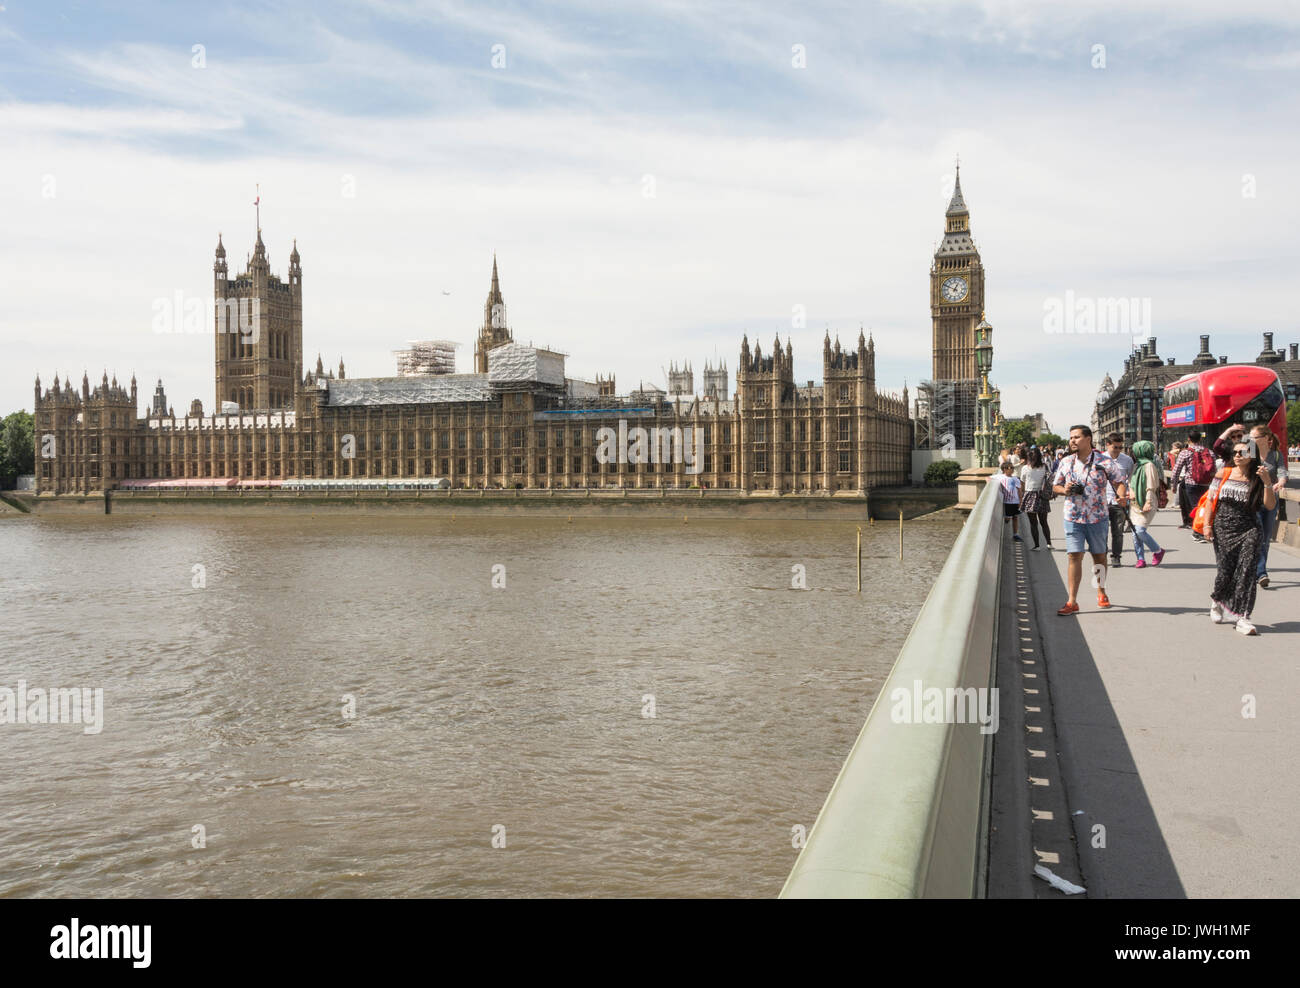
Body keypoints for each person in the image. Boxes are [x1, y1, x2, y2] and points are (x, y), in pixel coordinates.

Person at [1051, 424, 1130, 615]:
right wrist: (1065, 490)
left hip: (1098, 517)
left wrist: (1121, 496)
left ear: (1088, 439)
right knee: (1074, 556)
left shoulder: (1105, 461)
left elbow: (1120, 482)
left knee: (1099, 556)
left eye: (1077, 437)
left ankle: (1101, 591)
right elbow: (1055, 486)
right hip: (1073, 516)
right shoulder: (1066, 462)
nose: (1072, 441)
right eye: (1071, 438)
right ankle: (1072, 601)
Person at [1205, 439, 1278, 634]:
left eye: (1242, 452)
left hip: (1250, 529)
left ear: (1251, 455)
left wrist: (1267, 483)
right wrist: (1207, 525)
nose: (1237, 455)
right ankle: (1218, 600)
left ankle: (1243, 617)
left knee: (1247, 572)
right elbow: (1211, 501)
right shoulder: (1224, 473)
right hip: (1223, 528)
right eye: (1235, 452)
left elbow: (1270, 506)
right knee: (1225, 571)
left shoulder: (1259, 477)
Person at [1218, 424, 1289, 588]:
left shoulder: (1276, 455)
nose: (1249, 440)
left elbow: (1282, 472)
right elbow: (1235, 464)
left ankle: (1258, 570)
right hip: (1252, 499)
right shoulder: (1248, 451)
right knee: (1255, 535)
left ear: (1265, 439)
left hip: (1270, 499)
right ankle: (1261, 572)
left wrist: (1281, 482)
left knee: (1265, 537)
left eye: (1253, 437)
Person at [1127, 440, 1166, 568]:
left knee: (1140, 530)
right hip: (1135, 503)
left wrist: (1148, 502)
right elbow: (1130, 481)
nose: (1133, 452)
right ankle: (1140, 559)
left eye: (1136, 449)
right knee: (1135, 532)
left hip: (1147, 501)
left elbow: (1151, 486)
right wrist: (1131, 491)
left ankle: (1158, 551)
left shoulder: (1149, 465)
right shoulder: (1137, 465)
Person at [1171, 430, 1213, 540]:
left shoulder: (1185, 452)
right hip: (1206, 483)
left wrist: (1174, 485)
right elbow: (1213, 468)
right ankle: (1204, 528)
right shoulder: (1208, 451)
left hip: (1191, 483)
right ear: (1200, 439)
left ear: (1189, 439)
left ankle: (1198, 531)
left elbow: (1176, 470)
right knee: (1204, 506)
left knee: (1195, 507)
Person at [1103, 434, 1134, 566]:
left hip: (1119, 501)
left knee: (1118, 531)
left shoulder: (1127, 460)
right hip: (1101, 501)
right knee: (1101, 531)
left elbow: (1131, 480)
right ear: (1107, 445)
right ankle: (1101, 553)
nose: (1118, 450)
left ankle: (1116, 556)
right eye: (1115, 447)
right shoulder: (1100, 459)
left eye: (1120, 447)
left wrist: (1129, 494)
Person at [1019, 446, 1052, 550]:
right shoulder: (1044, 466)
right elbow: (1049, 479)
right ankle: (1048, 543)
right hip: (1042, 495)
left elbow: (1022, 484)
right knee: (1044, 522)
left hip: (1029, 495)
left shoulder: (1025, 468)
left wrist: (1021, 498)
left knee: (1033, 523)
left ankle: (1037, 545)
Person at [999, 461, 1023, 542]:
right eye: (1011, 468)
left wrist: (1020, 501)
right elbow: (988, 478)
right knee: (1008, 518)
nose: (1012, 469)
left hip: (1015, 501)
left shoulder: (1015, 479)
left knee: (1015, 517)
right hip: (1007, 502)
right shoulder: (1001, 477)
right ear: (1004, 469)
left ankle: (1015, 534)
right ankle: (1006, 520)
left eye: (1013, 467)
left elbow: (1019, 490)